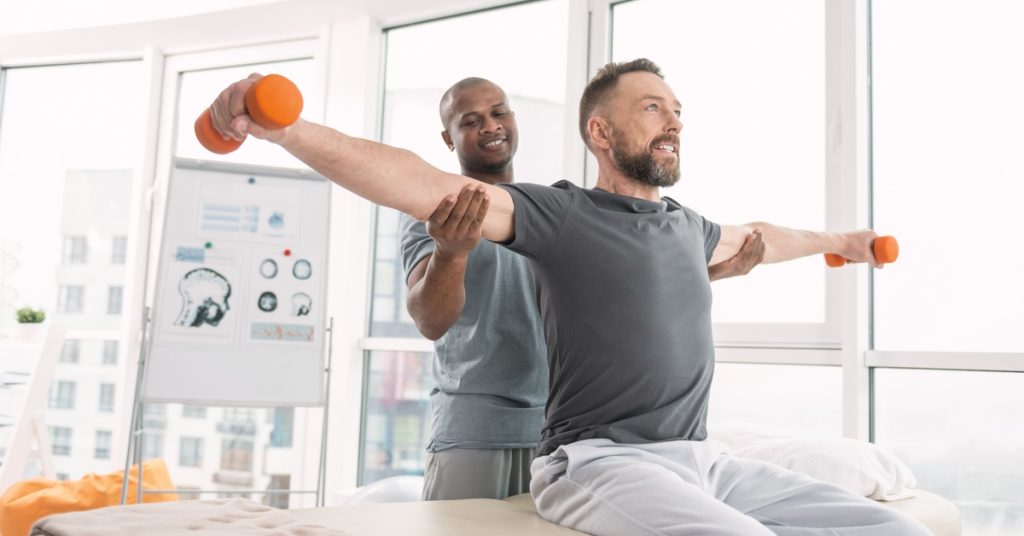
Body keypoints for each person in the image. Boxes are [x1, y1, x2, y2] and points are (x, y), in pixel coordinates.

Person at [208, 58, 928, 535]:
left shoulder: (684, 227)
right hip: (586, 455)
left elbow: (761, 236)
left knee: (891, 527)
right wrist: (282, 126)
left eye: (677, 109)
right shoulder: (558, 212)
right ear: (601, 132)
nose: (674, 120)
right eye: (653, 108)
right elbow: (413, 181)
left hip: (697, 454)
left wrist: (843, 242)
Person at [402, 77, 765, 501]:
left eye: (499, 112)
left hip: (564, 436)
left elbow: (611, 293)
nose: (490, 126)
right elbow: (430, 319)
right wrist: (451, 252)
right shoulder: (432, 214)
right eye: (471, 120)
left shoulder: (550, 211)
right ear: (449, 138)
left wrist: (712, 274)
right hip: (476, 430)